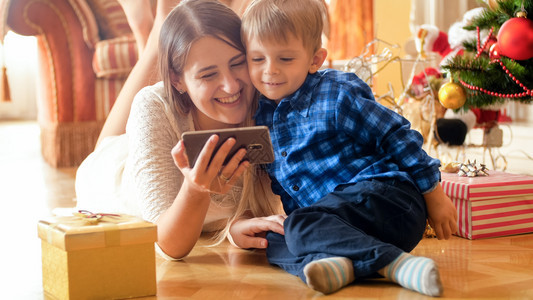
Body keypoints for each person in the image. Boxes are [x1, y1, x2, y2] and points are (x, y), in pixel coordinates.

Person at [241, 0, 458, 296]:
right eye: (257, 59)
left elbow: (395, 134)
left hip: (388, 200)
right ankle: (339, 264)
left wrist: (434, 194)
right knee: (276, 239)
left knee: (300, 225)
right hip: (339, 228)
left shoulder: (335, 93)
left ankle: (396, 264)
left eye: (286, 59)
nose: (270, 71)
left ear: (315, 59)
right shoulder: (259, 117)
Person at [75, 0, 284, 260]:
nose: (231, 86)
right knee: (107, 146)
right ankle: (150, 35)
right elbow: (169, 246)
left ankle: (155, 33)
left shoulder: (267, 96)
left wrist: (234, 227)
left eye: (237, 63)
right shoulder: (154, 105)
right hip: (111, 178)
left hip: (154, 135)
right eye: (208, 75)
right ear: (177, 80)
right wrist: (196, 190)